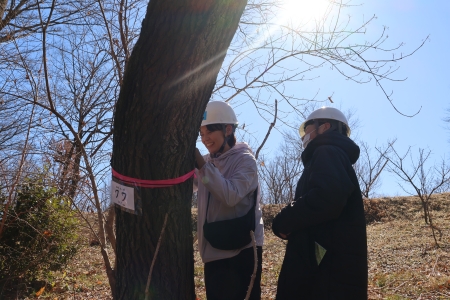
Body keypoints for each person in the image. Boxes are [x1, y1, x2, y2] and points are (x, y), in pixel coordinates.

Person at [272, 107, 368, 299]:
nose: (303, 136)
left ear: (324, 127)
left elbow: (327, 197)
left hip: (324, 276)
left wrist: (284, 220)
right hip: (330, 271)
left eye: (307, 129)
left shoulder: (327, 151)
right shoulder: (333, 155)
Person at [194, 101, 264, 300]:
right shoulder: (207, 163)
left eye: (209, 132)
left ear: (228, 129)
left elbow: (230, 195)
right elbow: (191, 184)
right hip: (213, 250)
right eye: (201, 133)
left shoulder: (245, 160)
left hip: (242, 250)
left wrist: (202, 165)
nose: (205, 139)